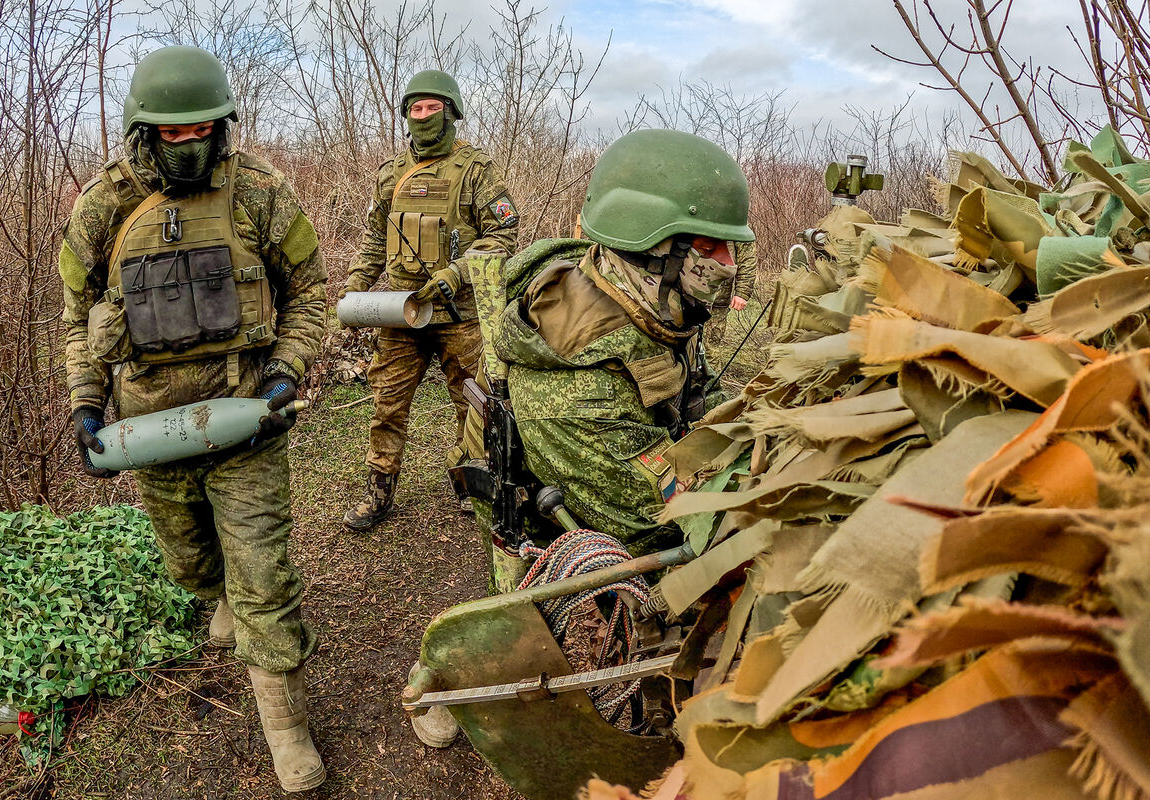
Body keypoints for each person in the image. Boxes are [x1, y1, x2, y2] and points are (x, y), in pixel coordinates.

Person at [59, 46, 326, 793]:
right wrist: (86, 402)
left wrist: (285, 374)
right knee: (192, 568)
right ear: (143, 133)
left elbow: (309, 289)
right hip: (152, 433)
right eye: (172, 134)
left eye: (203, 129)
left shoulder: (259, 191)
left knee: (263, 580)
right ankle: (219, 598)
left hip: (247, 423)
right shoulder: (103, 208)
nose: (191, 145)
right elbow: (74, 321)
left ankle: (286, 726)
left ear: (223, 126)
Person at [489, 128, 755, 560]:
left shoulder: (655, 306)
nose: (727, 264)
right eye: (708, 246)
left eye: (728, 247)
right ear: (645, 248)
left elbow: (701, 395)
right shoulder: (576, 393)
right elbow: (669, 526)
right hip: (594, 563)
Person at [340, 69, 520, 531]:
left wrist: (458, 272)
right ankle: (380, 488)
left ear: (451, 113)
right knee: (388, 401)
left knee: (473, 401)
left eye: (432, 108)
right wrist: (355, 288)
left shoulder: (477, 169)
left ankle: (470, 479)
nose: (422, 116)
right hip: (401, 310)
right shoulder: (392, 174)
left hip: (459, 311)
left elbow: (503, 233)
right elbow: (374, 239)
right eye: (415, 109)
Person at [706, 239, 758, 343]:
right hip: (682, 297)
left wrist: (742, 292)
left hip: (717, 302)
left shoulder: (733, 223)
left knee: (710, 350)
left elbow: (747, 258)